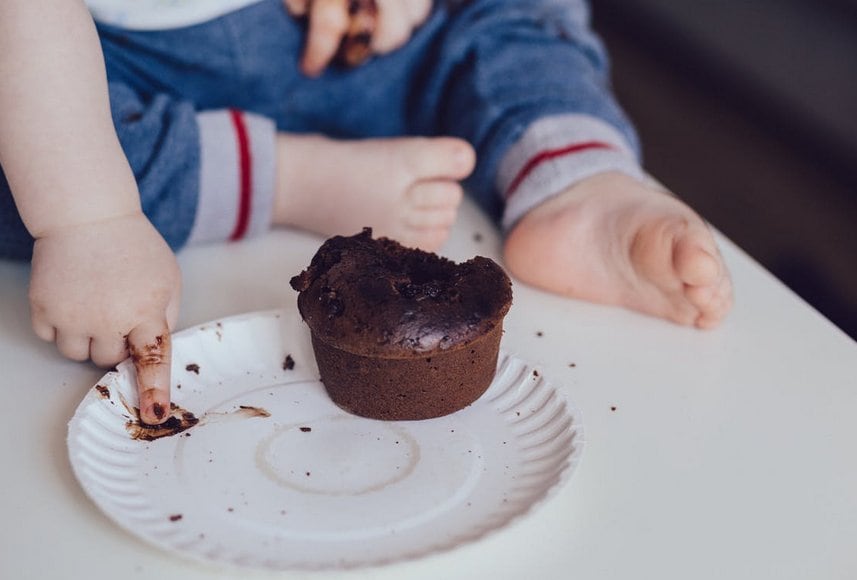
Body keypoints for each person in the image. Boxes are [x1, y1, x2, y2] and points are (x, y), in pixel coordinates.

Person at [0, 0, 733, 425]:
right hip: (104, 81)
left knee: (512, 16)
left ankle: (571, 176)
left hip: (368, 45)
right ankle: (289, 176)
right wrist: (87, 219)